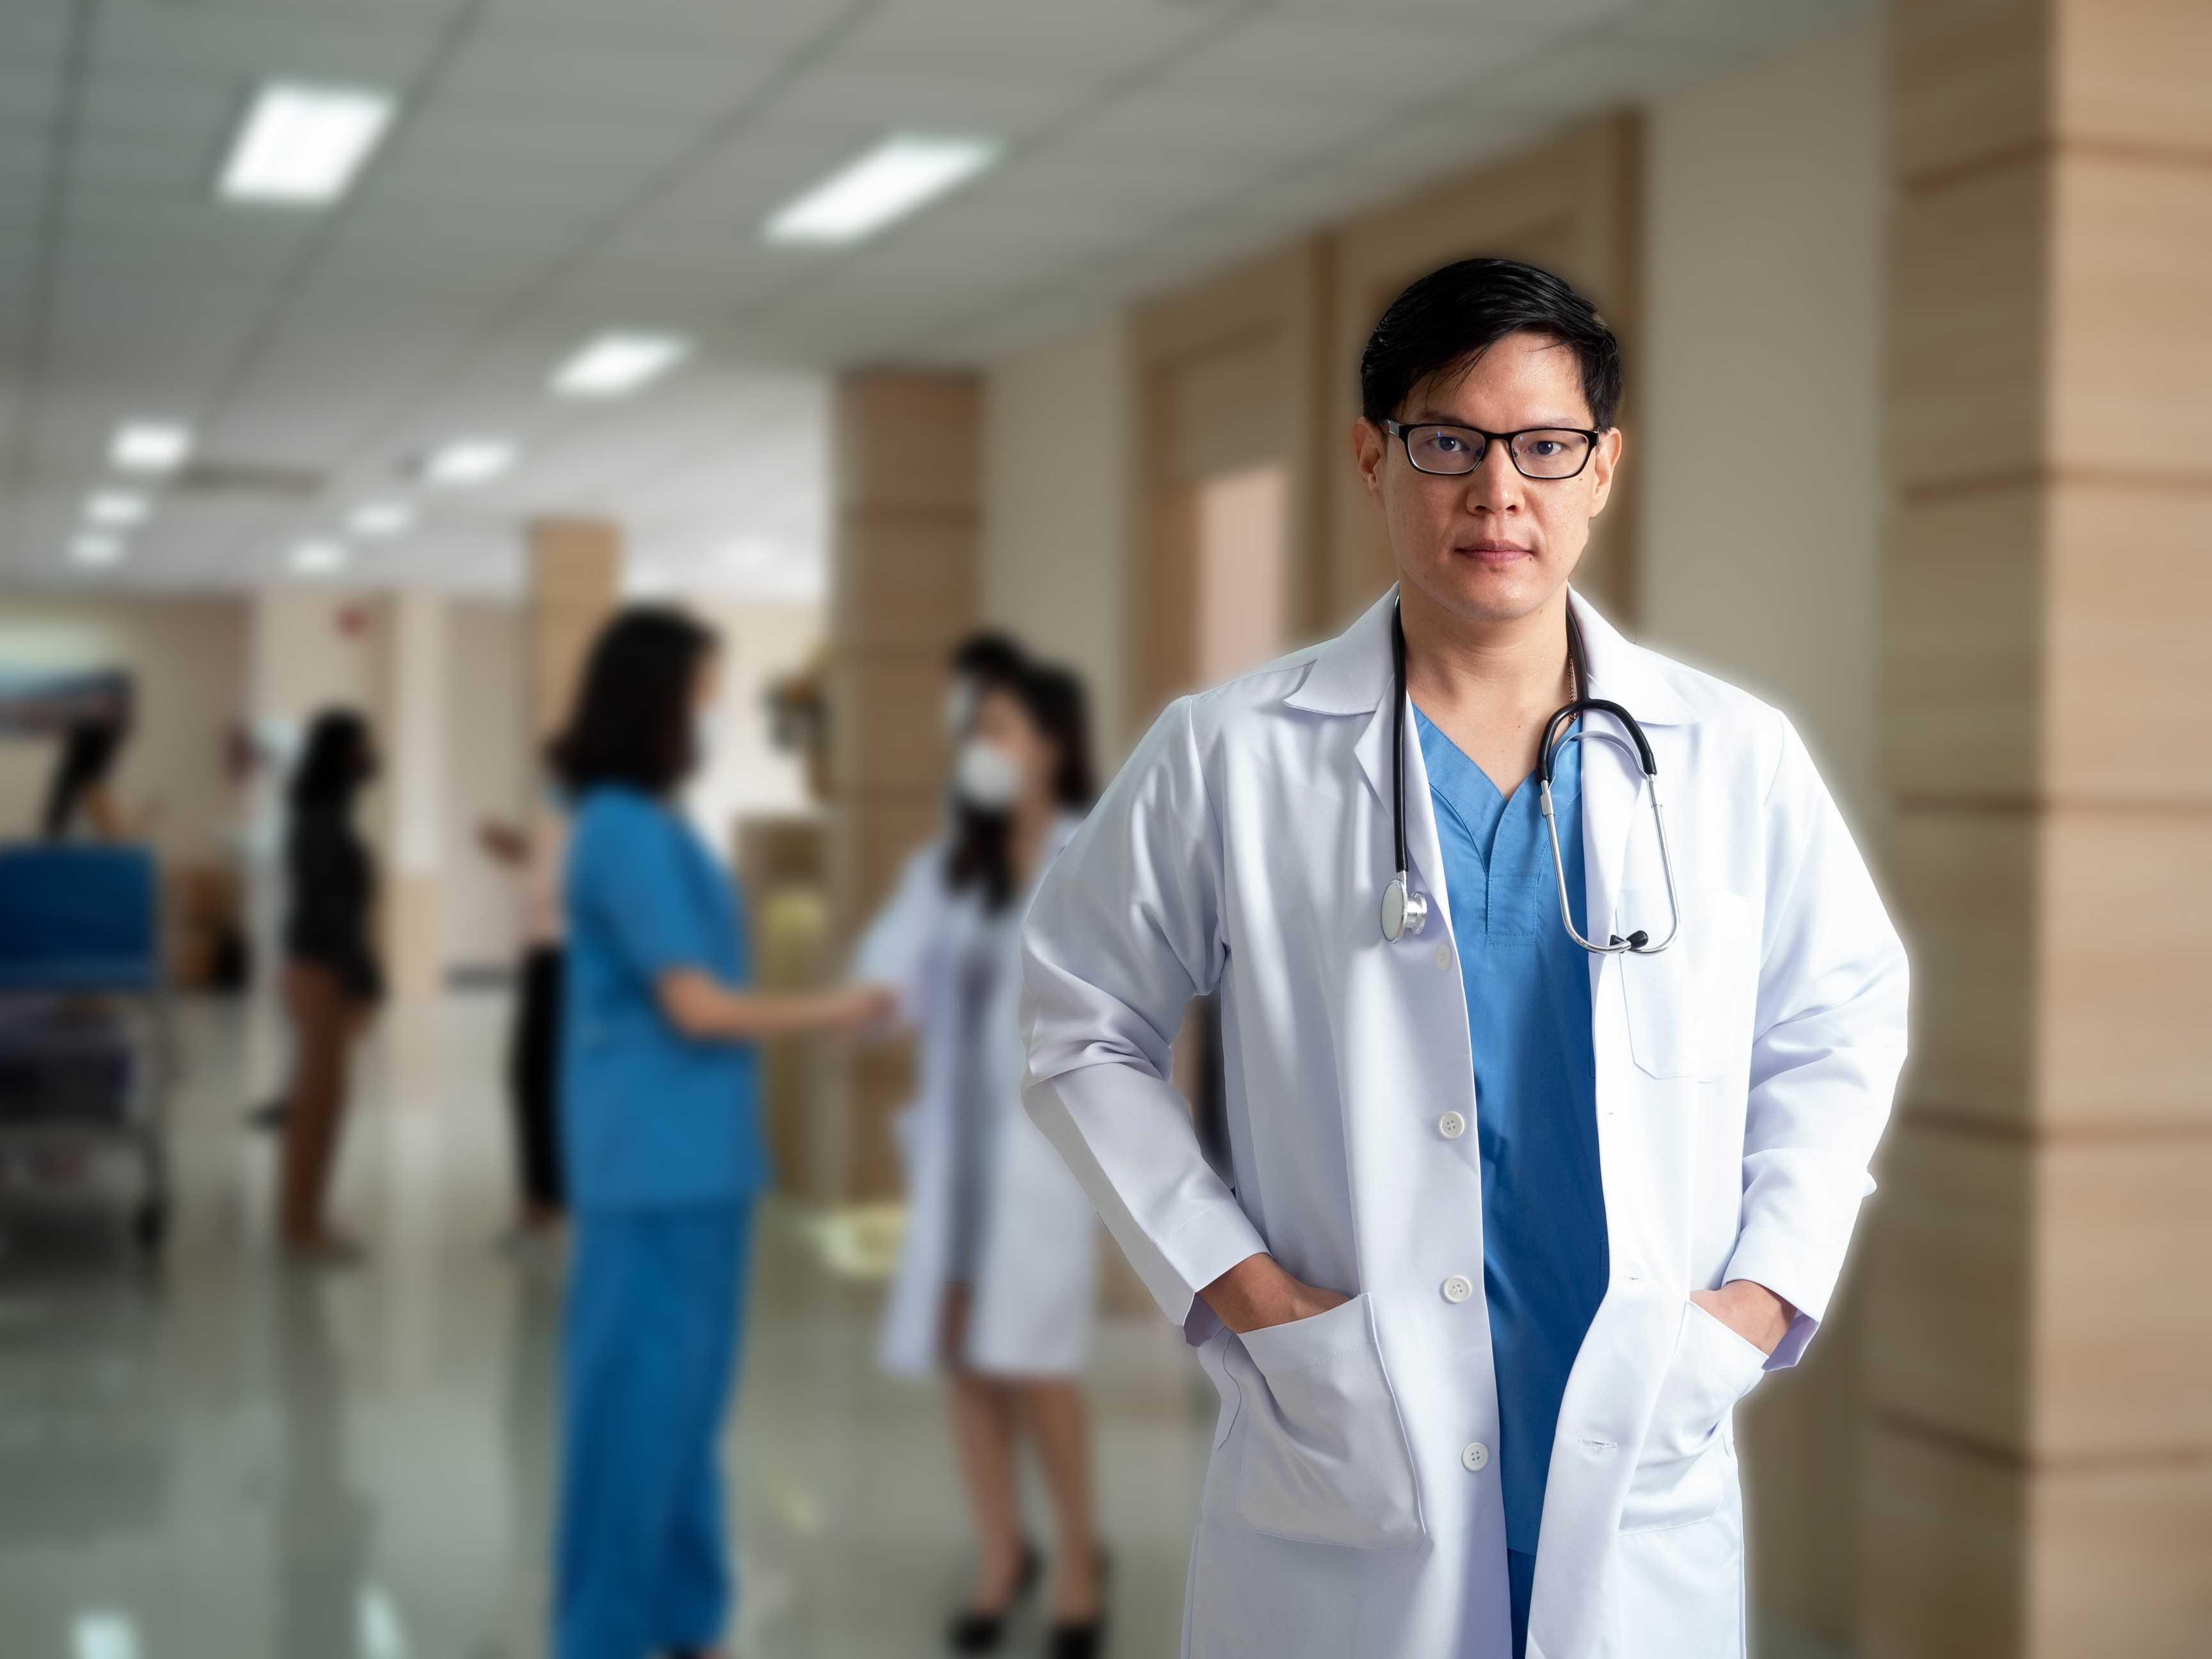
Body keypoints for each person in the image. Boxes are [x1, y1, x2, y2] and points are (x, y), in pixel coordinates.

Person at [1018, 257, 1911, 1659]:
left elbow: (1840, 1025)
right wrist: (1240, 1289)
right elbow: (1076, 1022)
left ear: (1603, 469)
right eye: (1450, 443)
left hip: (1631, 1411)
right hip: (1352, 1429)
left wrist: (1757, 1302)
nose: (1500, 493)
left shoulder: (1732, 757)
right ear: (1374, 456)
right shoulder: (1232, 753)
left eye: (1545, 448)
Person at [548, 606, 889, 1659]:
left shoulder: (644, 826)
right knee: (633, 1424)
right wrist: (833, 1008)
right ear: (655, 699)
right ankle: (606, 1635)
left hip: (694, 1166)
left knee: (684, 1415)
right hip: (650, 1172)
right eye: (701, 690)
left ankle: (685, 1619)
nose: (709, 712)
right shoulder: (620, 829)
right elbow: (694, 1005)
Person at [853, 648, 1107, 1658]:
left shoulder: (1092, 857)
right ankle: (1003, 1553)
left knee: (1039, 1368)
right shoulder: (947, 867)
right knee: (966, 1358)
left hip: (1040, 1163)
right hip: (955, 1160)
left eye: (1001, 731)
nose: (982, 752)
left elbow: (1132, 1009)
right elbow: (888, 976)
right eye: (977, 732)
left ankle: (1079, 1562)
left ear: (1050, 747)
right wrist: (846, 1009)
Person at [275, 707, 383, 1263]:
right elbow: (334, 911)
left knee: (321, 1099)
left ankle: (304, 1218)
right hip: (325, 969)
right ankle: (302, 1226)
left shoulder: (321, 813)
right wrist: (364, 979)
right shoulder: (322, 820)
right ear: (344, 753)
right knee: (320, 1102)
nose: (374, 754)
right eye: (367, 743)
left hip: (319, 963)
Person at [476, 796, 569, 1245]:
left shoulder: (609, 820)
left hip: (565, 959)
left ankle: (545, 1203)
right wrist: (518, 851)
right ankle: (544, 1200)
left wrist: (525, 855)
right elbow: (549, 867)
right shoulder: (566, 822)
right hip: (544, 957)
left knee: (536, 1078)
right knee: (532, 1078)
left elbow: (565, 880)